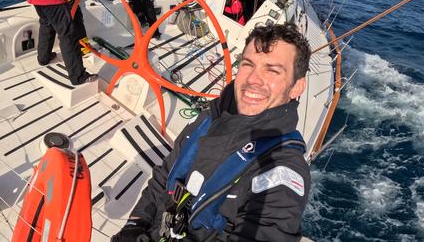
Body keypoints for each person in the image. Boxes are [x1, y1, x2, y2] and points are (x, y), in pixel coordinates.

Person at [111, 23, 312, 242]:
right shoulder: (211, 116)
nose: (253, 79)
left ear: (297, 87)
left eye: (272, 70)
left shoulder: (282, 168)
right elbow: (164, 175)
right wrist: (135, 224)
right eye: (248, 64)